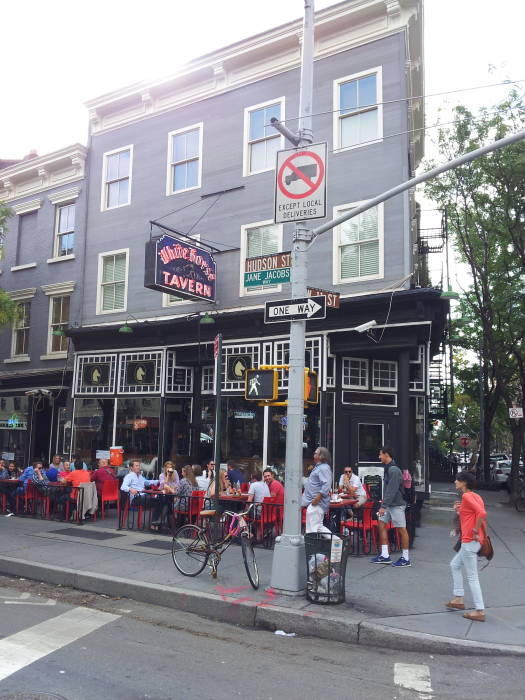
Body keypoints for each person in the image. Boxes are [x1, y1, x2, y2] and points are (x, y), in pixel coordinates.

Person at [447, 471, 487, 622]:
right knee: (454, 565)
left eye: (457, 480)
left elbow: (482, 513)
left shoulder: (466, 496)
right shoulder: (476, 496)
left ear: (464, 482)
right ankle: (458, 598)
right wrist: (459, 510)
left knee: (472, 576)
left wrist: (475, 530)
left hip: (470, 541)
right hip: (473, 541)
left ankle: (480, 610)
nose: (455, 482)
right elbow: (472, 514)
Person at [370, 446, 411, 567]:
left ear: (386, 454)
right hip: (389, 504)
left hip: (396, 505)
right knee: (381, 524)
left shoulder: (393, 470)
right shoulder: (389, 468)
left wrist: (383, 506)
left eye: (380, 454)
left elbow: (392, 490)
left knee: (401, 529)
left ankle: (405, 558)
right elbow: (389, 490)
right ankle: (384, 555)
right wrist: (385, 504)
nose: (379, 457)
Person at [302, 447, 332, 534]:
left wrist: (318, 498)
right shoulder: (320, 467)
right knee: (319, 528)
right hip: (315, 502)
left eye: (316, 453)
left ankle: (311, 547)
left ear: (321, 456)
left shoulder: (324, 468)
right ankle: (338, 544)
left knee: (311, 530)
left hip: (316, 503)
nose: (313, 455)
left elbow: (326, 484)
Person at [151, 462, 179, 529]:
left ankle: (159, 521)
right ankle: (162, 522)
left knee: (165, 502)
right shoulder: (161, 475)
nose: (169, 469)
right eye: (167, 467)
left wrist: (171, 489)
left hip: (171, 494)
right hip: (163, 494)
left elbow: (178, 484)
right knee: (165, 502)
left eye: (170, 467)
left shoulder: (175, 473)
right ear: (165, 468)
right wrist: (167, 476)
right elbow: (164, 485)